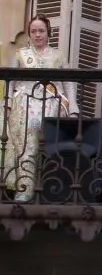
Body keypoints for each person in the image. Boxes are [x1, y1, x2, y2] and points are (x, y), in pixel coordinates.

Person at [2, 16, 75, 200]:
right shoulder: (20, 54)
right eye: (33, 31)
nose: (37, 35)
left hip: (52, 105)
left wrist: (73, 106)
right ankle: (23, 188)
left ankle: (45, 190)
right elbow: (10, 81)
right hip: (24, 106)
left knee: (45, 148)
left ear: (48, 32)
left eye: (41, 30)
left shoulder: (58, 55)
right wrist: (8, 103)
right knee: (25, 147)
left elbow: (68, 82)